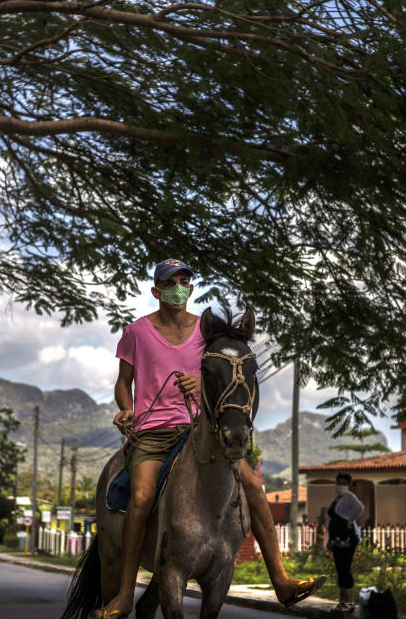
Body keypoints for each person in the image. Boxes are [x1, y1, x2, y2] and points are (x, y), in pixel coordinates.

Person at [94, 259, 324, 618]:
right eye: (172, 282)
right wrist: (127, 410)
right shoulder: (136, 332)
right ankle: (124, 594)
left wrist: (198, 383)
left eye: (185, 281)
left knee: (253, 485)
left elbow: (220, 369)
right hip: (152, 432)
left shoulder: (206, 331)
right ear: (156, 290)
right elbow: (124, 382)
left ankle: (280, 579)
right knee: (140, 496)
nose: (180, 287)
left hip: (198, 427)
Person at [327, 472, 365, 612]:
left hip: (347, 538)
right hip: (336, 538)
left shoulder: (350, 497)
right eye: (339, 483)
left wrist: (350, 521)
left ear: (348, 485)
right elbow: (332, 518)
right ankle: (342, 601)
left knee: (345, 568)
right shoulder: (336, 498)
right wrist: (329, 538)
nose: (341, 486)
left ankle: (349, 602)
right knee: (339, 569)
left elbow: (360, 508)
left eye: (344, 484)